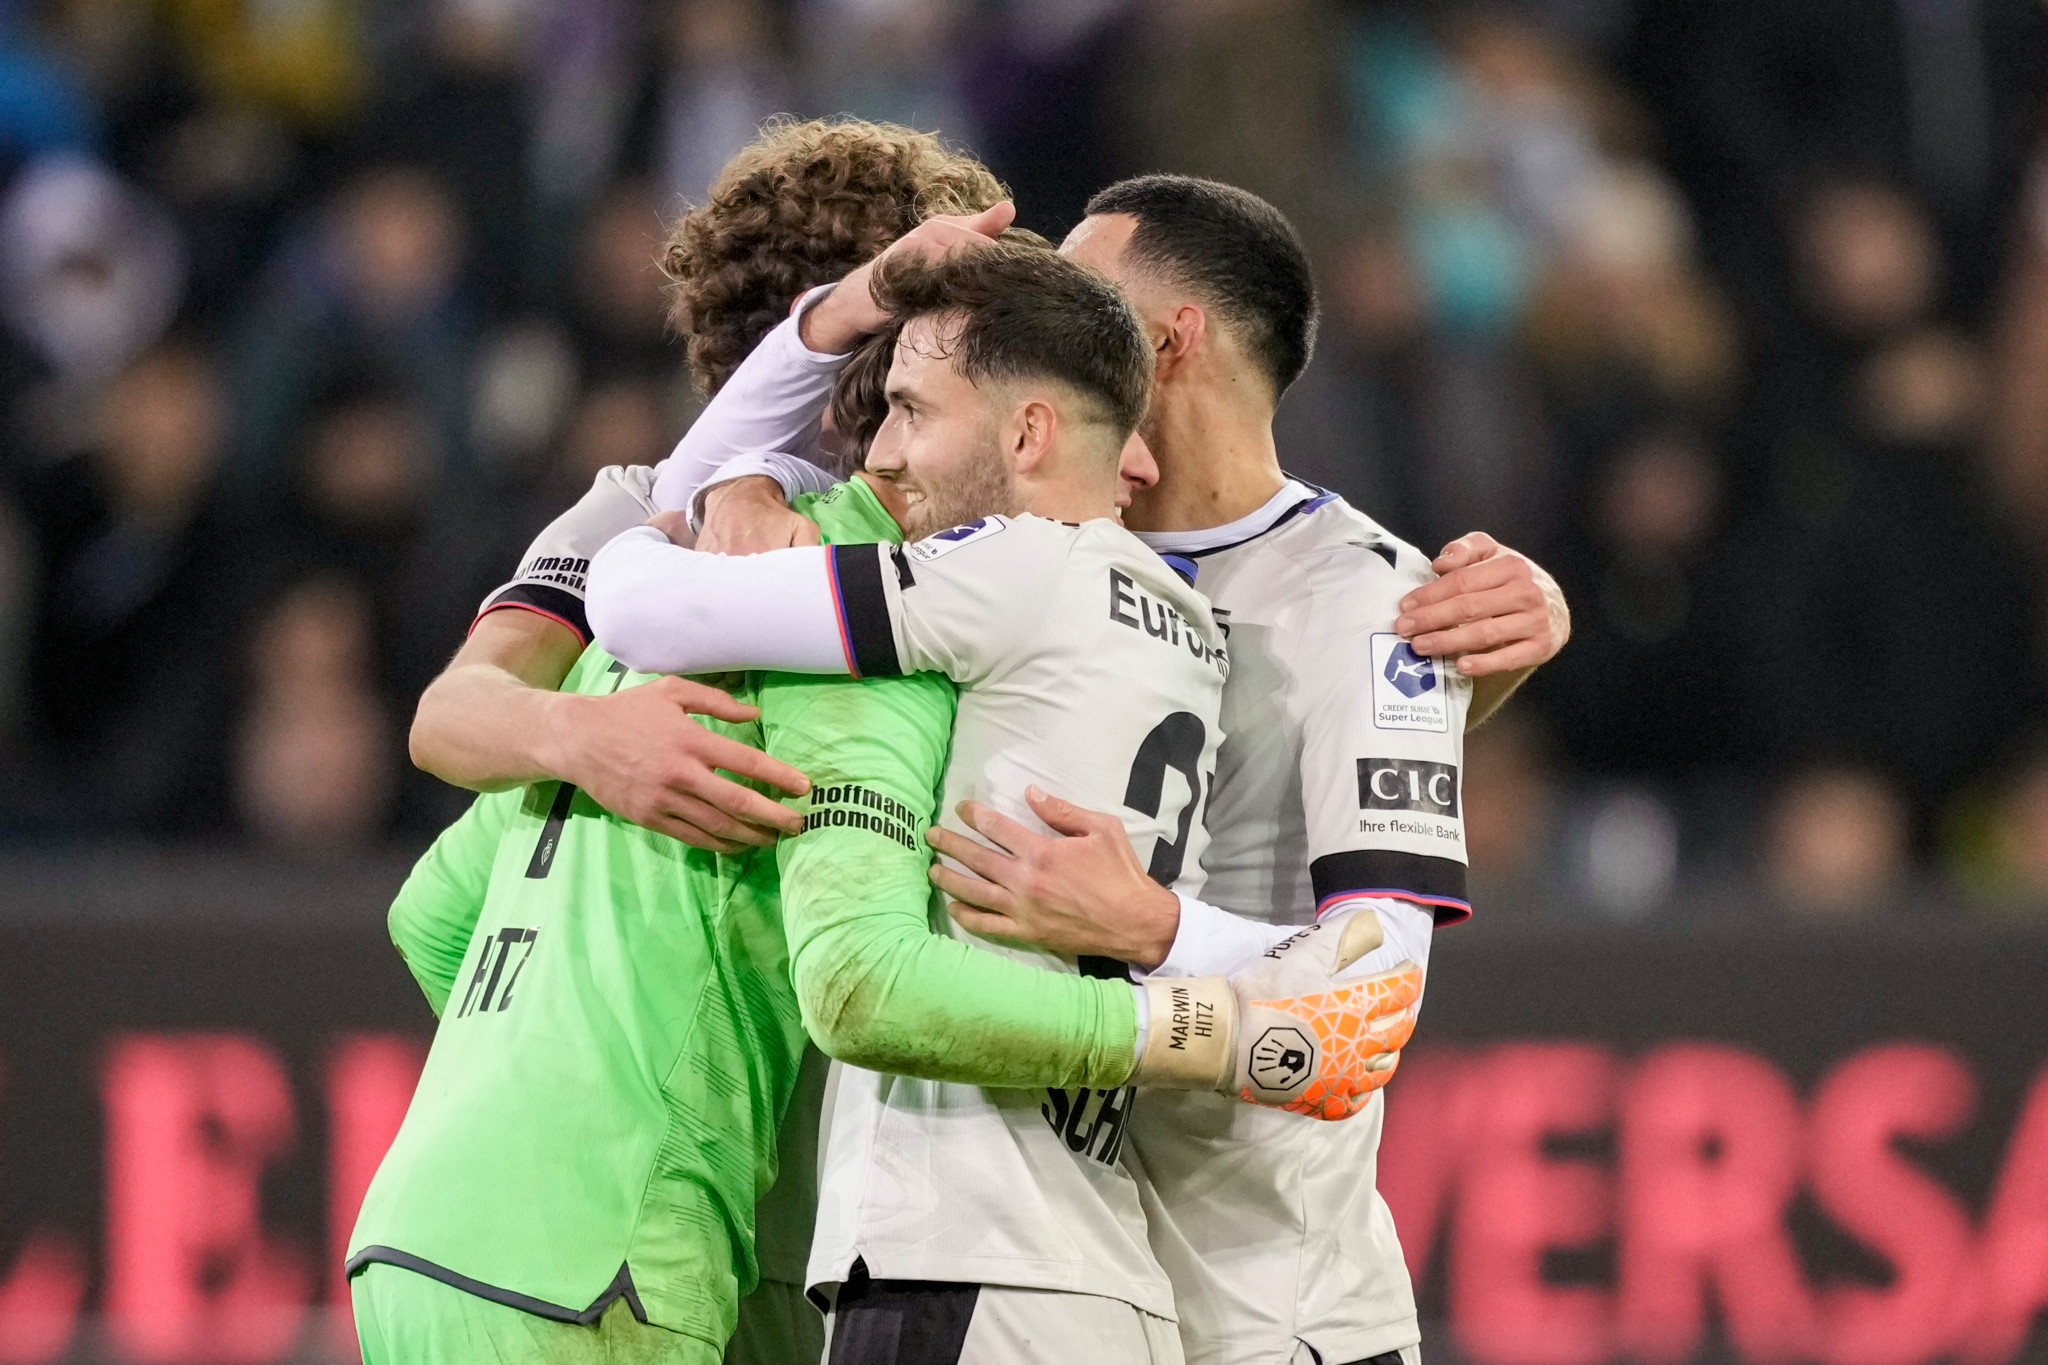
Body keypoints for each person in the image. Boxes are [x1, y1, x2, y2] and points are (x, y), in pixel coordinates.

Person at [354, 235, 1414, 1365]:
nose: (892, 450)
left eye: (917, 410)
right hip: (713, 1257)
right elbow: (862, 979)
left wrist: (572, 1054)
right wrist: (1208, 1015)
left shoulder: (819, 594)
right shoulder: (1168, 621)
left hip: (453, 1229)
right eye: (890, 404)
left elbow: (438, 909)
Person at [694, 177, 1569, 1365]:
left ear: (1168, 341)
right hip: (1076, 1276)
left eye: (1085, 293)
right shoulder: (1025, 543)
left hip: (1270, 1305)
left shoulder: (1368, 602)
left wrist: (1152, 926)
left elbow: (1378, 992)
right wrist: (741, 480)